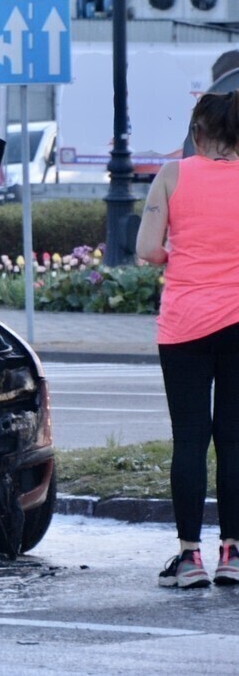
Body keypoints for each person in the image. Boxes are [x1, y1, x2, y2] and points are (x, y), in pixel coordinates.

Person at [136, 90, 239, 589]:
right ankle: (233, 553)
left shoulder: (172, 175)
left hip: (184, 325)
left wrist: (176, 256)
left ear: (197, 133)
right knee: (236, 440)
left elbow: (147, 249)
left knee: (191, 440)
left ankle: (189, 557)